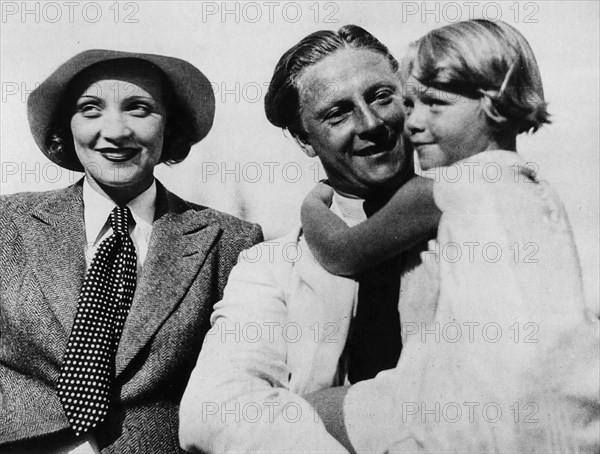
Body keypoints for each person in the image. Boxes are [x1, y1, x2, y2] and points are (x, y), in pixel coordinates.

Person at [301, 19, 600, 453]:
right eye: (410, 104)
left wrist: (313, 207)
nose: (412, 123)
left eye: (435, 105)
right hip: (560, 397)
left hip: (468, 400)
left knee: (302, 413)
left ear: (495, 103)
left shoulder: (448, 187)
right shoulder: (537, 189)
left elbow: (343, 252)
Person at [179, 25, 440, 453]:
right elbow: (215, 413)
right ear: (304, 139)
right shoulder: (270, 268)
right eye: (338, 112)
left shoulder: (471, 226)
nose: (371, 123)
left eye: (381, 96)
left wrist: (326, 411)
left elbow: (500, 395)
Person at [0, 49, 263, 453]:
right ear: (64, 127)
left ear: (169, 126)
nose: (116, 131)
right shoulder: (8, 224)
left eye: (139, 109)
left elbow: (240, 390)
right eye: (90, 109)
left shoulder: (230, 242)